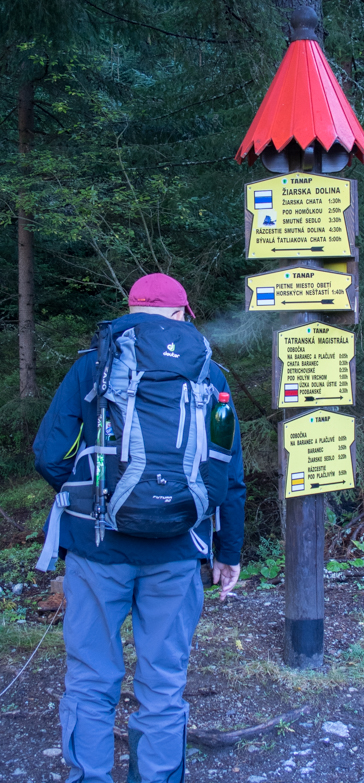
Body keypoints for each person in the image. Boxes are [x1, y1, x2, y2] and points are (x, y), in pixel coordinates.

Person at [33, 273, 245, 783]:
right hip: (178, 550)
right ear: (181, 314)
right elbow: (228, 472)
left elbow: (47, 454)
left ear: (131, 309)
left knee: (90, 679)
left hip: (98, 548)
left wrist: (88, 498)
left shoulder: (93, 366)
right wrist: (227, 552)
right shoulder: (210, 375)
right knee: (164, 682)